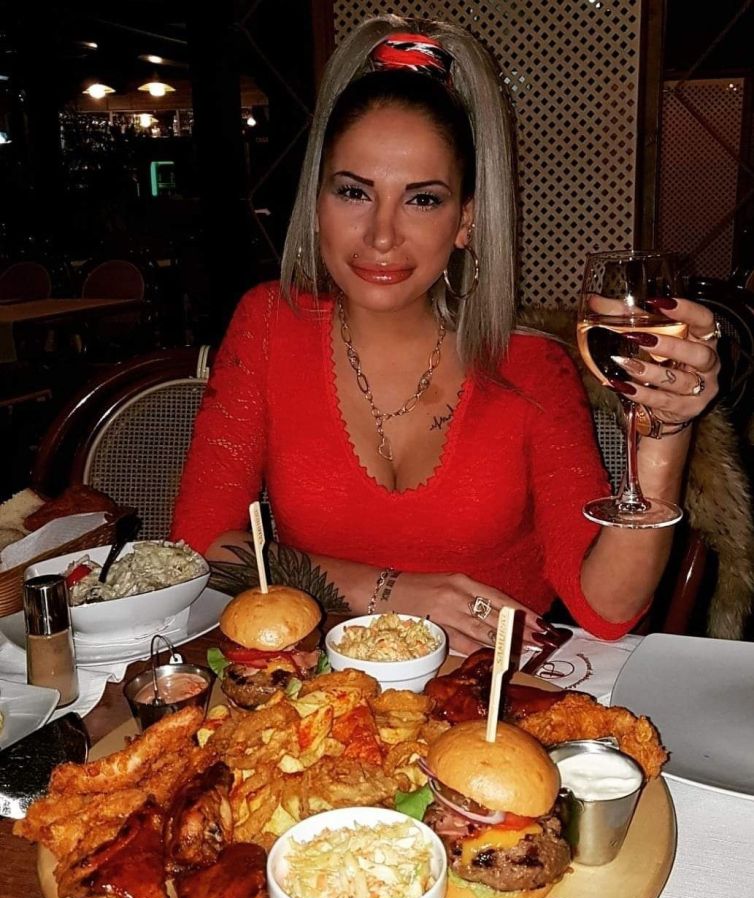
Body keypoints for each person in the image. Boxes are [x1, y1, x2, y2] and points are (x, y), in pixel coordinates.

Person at [172, 16, 720, 654]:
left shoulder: (531, 367)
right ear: (317, 202)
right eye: (353, 192)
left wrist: (664, 436)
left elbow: (608, 611)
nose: (381, 234)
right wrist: (390, 591)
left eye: (422, 200)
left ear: (466, 220)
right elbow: (200, 544)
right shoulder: (268, 323)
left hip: (490, 705)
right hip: (316, 697)